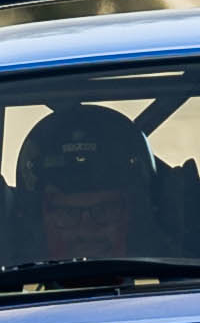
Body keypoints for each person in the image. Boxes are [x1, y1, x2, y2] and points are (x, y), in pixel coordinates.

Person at [15, 104, 166, 261]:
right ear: (39, 223)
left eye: (104, 209)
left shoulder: (190, 279)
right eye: (67, 213)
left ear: (134, 215)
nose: (87, 230)